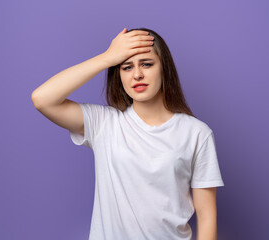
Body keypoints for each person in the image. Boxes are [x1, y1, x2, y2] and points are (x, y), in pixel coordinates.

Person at [31, 27, 225, 240]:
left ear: (164, 69)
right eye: (126, 67)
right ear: (119, 76)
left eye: (147, 64)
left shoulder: (197, 133)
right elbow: (42, 99)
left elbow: (207, 215)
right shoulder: (104, 123)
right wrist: (108, 57)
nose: (137, 74)